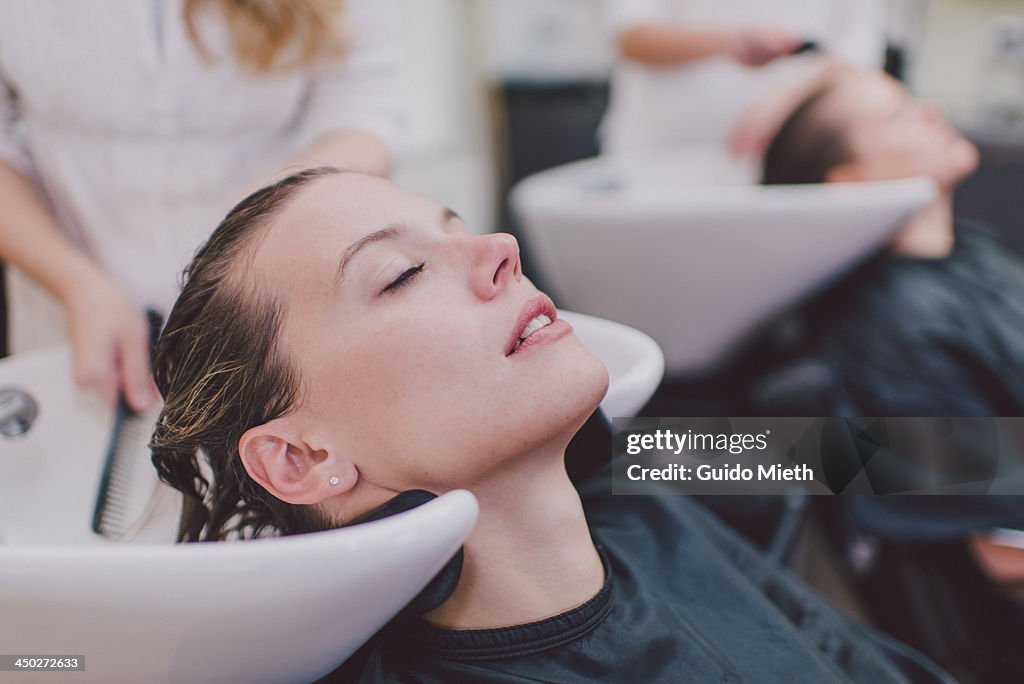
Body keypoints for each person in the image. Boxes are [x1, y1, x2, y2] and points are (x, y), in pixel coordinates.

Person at [148, 167, 949, 683]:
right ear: (300, 456)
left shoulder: (623, 476)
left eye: (459, 226)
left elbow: (863, 457)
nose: (500, 247)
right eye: (402, 274)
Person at [0, 0, 401, 412]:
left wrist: (265, 210)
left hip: (275, 324)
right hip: (72, 327)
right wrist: (75, 283)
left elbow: (361, 115)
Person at [761, 68, 1024, 684]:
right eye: (897, 117)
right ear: (849, 182)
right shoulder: (896, 328)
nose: (930, 111)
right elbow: (1004, 552)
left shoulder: (972, 248)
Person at [600, 0, 887, 158]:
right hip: (658, 162)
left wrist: (784, 105)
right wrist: (729, 43)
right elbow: (631, 37)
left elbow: (856, 59)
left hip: (783, 169)